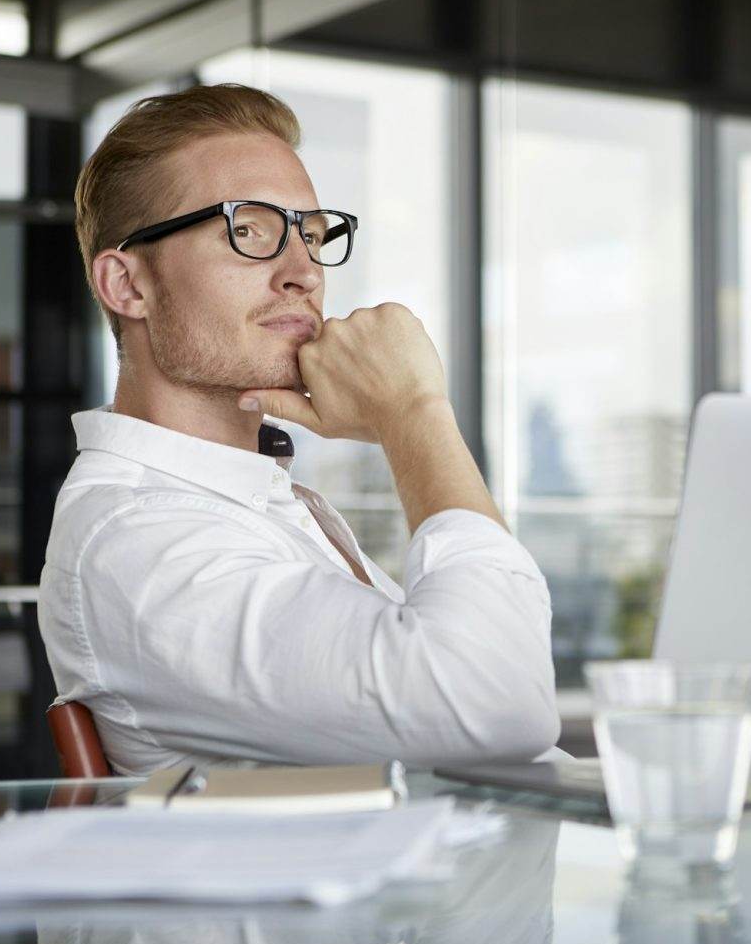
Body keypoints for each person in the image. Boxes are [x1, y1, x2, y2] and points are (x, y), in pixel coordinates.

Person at [38, 83, 561, 775]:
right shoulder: (141, 542)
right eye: (248, 231)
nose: (304, 273)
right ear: (127, 285)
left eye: (311, 235)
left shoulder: (248, 500)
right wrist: (412, 414)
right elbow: (495, 701)